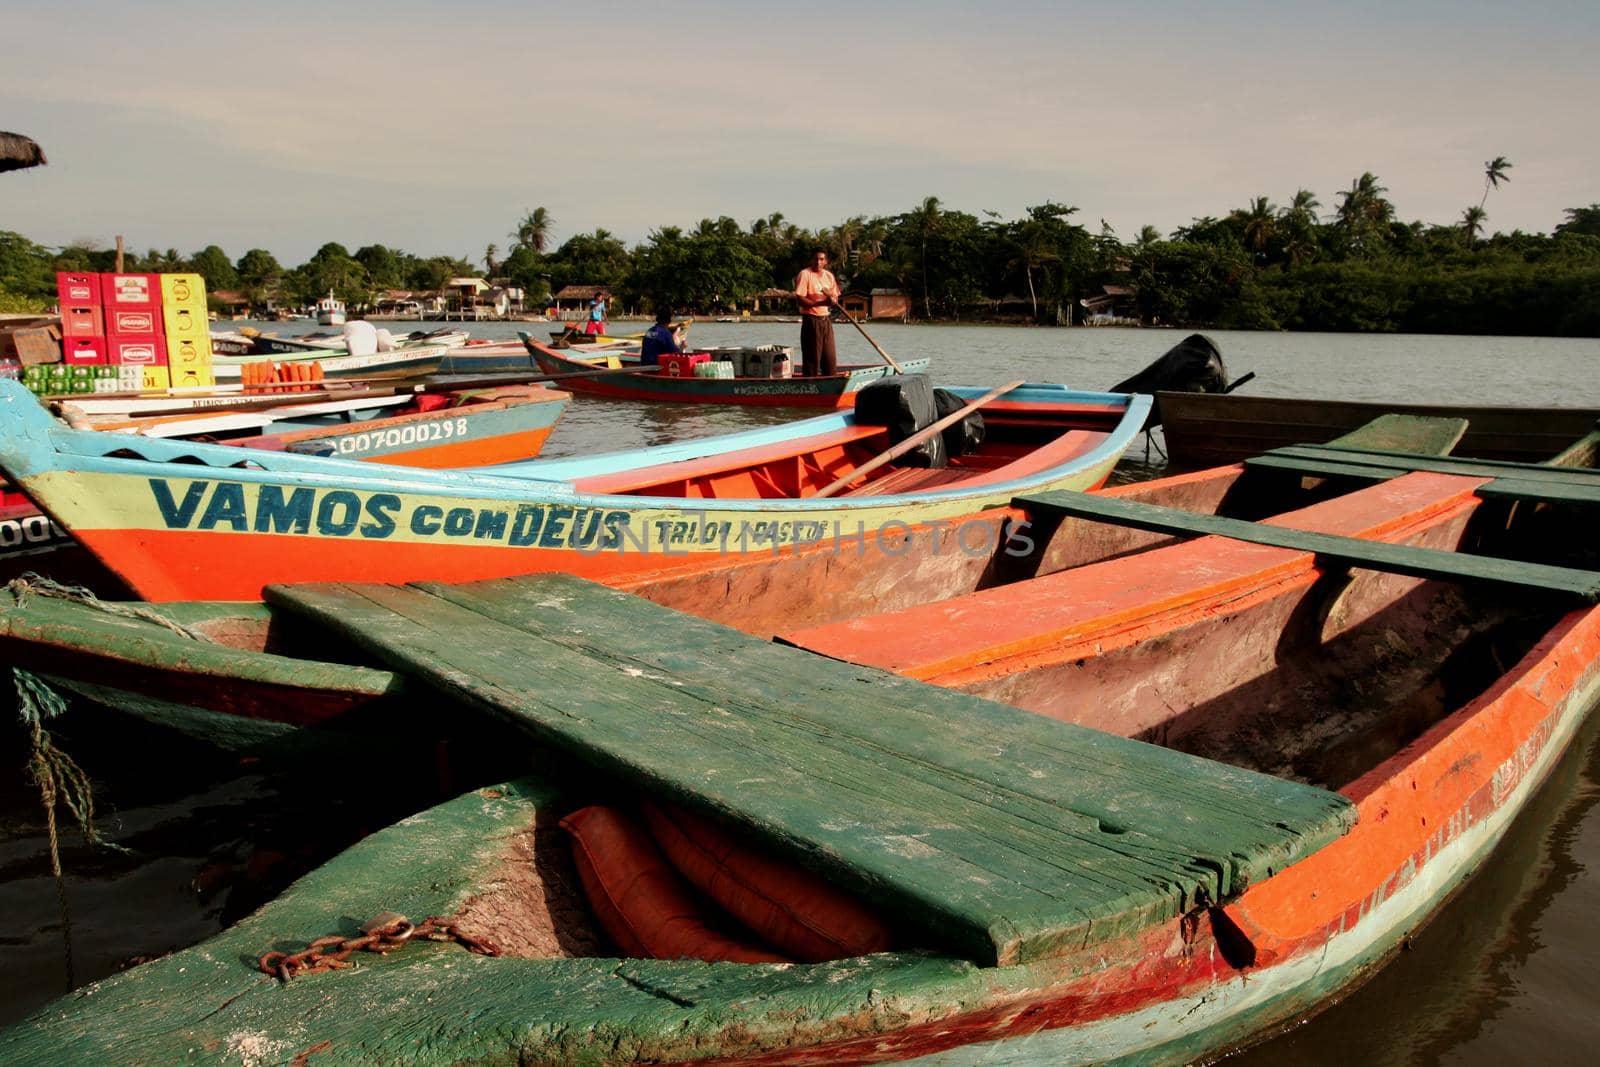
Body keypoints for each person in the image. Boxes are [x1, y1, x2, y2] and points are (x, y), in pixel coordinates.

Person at [792, 249, 840, 376]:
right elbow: (800, 300)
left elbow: (835, 297)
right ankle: (810, 385)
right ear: (811, 260)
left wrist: (832, 299)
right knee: (812, 359)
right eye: (816, 259)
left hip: (826, 320)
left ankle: (830, 383)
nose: (818, 262)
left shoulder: (829, 276)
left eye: (821, 259)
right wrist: (820, 303)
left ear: (826, 261)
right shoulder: (805, 274)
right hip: (811, 320)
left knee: (830, 358)